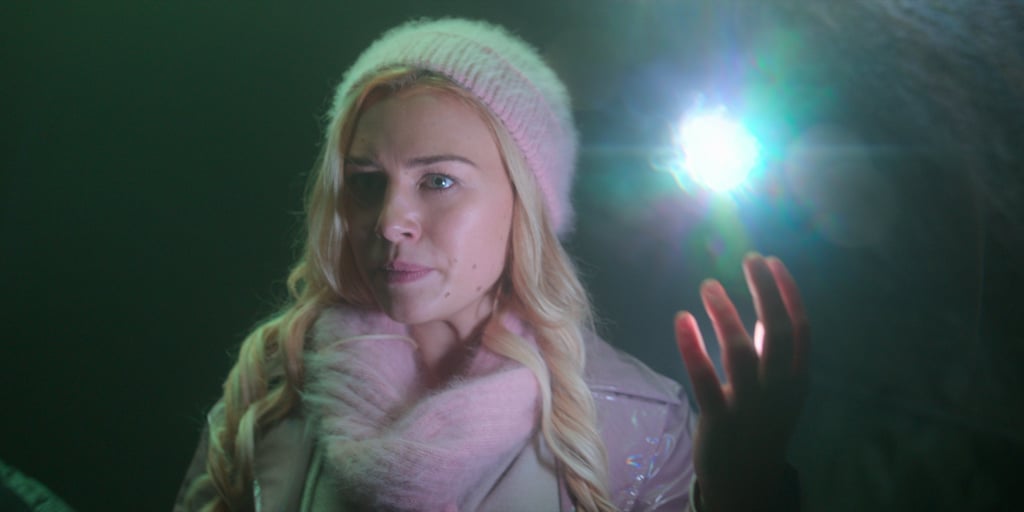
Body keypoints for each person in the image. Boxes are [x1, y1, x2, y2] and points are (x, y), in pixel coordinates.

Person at [174, 18, 808, 512]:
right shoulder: (271, 389)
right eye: (367, 181)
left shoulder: (633, 421)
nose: (390, 221)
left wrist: (740, 497)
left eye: (439, 181)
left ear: (523, 202)